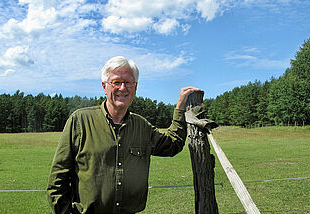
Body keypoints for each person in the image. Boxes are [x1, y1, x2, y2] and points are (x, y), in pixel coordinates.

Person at [47, 56, 200, 214]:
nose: (122, 88)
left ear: (135, 87)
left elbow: (172, 144)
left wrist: (180, 108)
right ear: (104, 86)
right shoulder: (80, 121)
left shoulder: (142, 126)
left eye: (128, 82)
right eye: (116, 82)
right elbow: (57, 181)